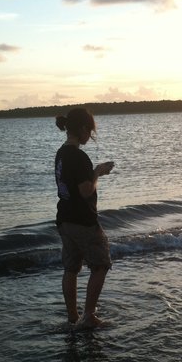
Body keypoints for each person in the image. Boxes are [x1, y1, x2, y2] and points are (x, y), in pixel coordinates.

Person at [54, 107, 114, 329]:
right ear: (81, 129)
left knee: (71, 268)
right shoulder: (79, 157)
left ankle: (72, 317)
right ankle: (89, 316)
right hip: (83, 220)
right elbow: (86, 191)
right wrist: (97, 171)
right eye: (89, 131)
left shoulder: (61, 153)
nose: (90, 135)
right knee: (101, 265)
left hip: (65, 219)